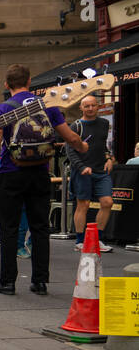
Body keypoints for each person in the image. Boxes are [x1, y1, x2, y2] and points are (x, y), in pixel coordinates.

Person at [0, 64, 87, 295]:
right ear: (30, 82)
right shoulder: (48, 106)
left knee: (9, 228)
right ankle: (40, 282)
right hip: (40, 173)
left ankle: (8, 282)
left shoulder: (1, 109)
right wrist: (83, 146)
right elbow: (70, 136)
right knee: (40, 228)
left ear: (6, 85)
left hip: (11, 173)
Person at [69, 95, 115, 251]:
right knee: (84, 205)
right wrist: (82, 167)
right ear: (81, 108)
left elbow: (104, 146)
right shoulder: (75, 126)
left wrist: (109, 158)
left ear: (98, 106)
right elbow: (71, 151)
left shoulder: (104, 123)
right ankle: (80, 241)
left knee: (107, 202)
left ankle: (97, 239)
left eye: (93, 105)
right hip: (82, 172)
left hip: (101, 170)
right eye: (86, 106)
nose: (90, 109)